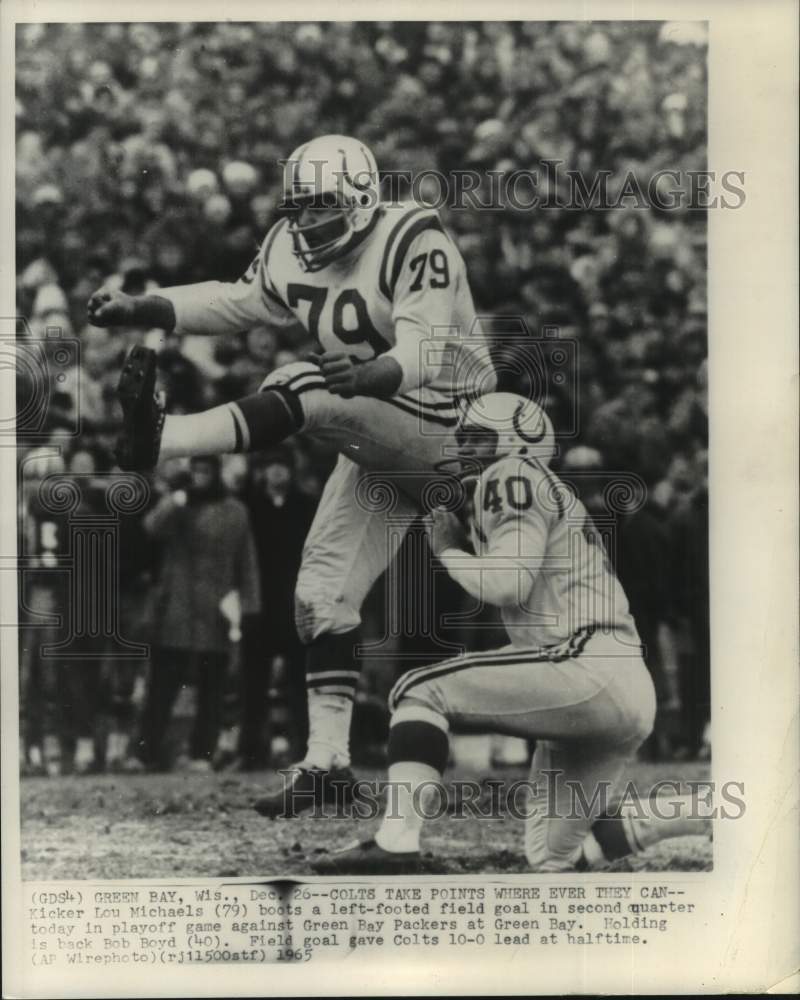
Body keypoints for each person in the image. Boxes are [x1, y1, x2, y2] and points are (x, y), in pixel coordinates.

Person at [87, 134, 497, 812]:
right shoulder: (289, 244)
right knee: (321, 597)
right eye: (299, 209)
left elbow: (428, 349)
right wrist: (144, 305)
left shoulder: (412, 237)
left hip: (458, 428)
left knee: (304, 385)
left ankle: (161, 441)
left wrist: (366, 375)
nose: (307, 224)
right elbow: (237, 300)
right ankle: (329, 763)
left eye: (322, 209)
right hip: (380, 440)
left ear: (363, 200)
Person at [311, 393, 708, 874]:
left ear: (520, 444)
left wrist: (447, 551)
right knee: (553, 857)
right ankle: (704, 813)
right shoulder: (529, 488)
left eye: (480, 439)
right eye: (464, 439)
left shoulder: (512, 475)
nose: (467, 450)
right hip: (611, 682)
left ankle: (396, 840)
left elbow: (505, 583)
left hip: (582, 664)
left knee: (417, 690)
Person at [132, 456, 260, 771]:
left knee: (211, 688)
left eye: (206, 471)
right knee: (161, 686)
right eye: (196, 471)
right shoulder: (178, 506)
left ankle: (202, 753)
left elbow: (247, 561)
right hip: (176, 607)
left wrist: (249, 608)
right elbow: (151, 527)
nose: (201, 477)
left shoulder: (235, 511)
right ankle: (145, 754)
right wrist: (176, 499)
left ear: (216, 474)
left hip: (215, 610)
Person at [238, 447, 317, 768]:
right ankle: (251, 752)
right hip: (258, 604)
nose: (277, 473)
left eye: (282, 466)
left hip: (296, 603)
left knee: (300, 682)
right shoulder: (249, 507)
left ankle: (304, 751)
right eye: (271, 466)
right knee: (253, 682)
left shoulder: (307, 506)